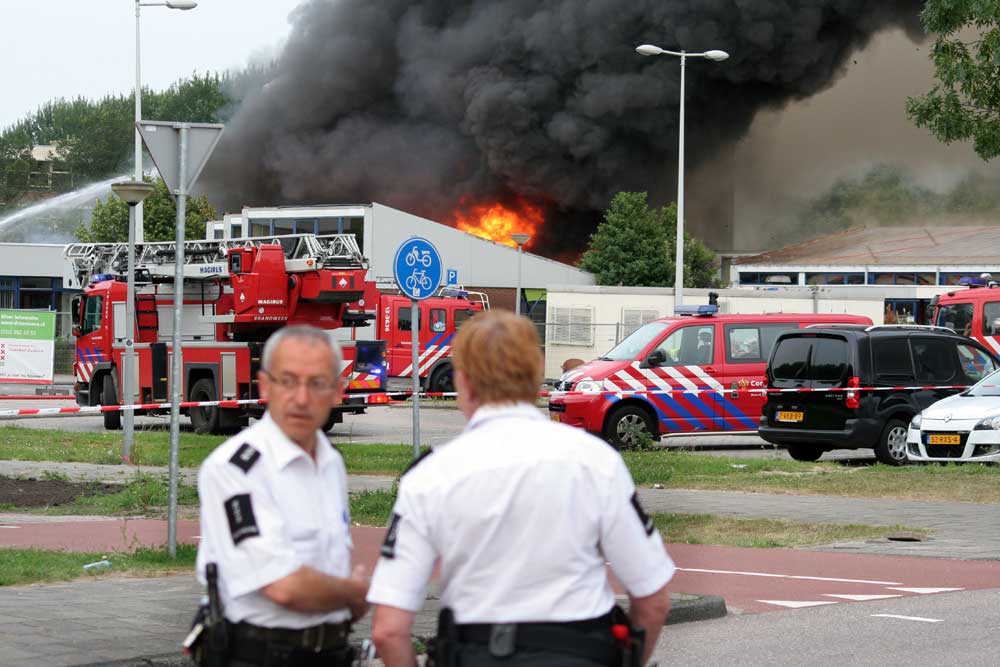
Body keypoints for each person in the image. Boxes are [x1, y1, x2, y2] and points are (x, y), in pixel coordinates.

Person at [367, 311, 674, 667]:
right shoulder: (595, 462)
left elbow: (388, 630)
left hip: (475, 652)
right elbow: (653, 599)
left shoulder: (431, 475)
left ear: (462, 382)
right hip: (581, 651)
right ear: (535, 378)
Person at [195, 325, 370, 667]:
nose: (301, 398)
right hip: (261, 655)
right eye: (288, 381)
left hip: (332, 651)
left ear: (338, 391)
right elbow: (284, 588)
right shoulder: (235, 469)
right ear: (265, 386)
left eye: (317, 383)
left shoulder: (330, 461)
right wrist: (355, 592)